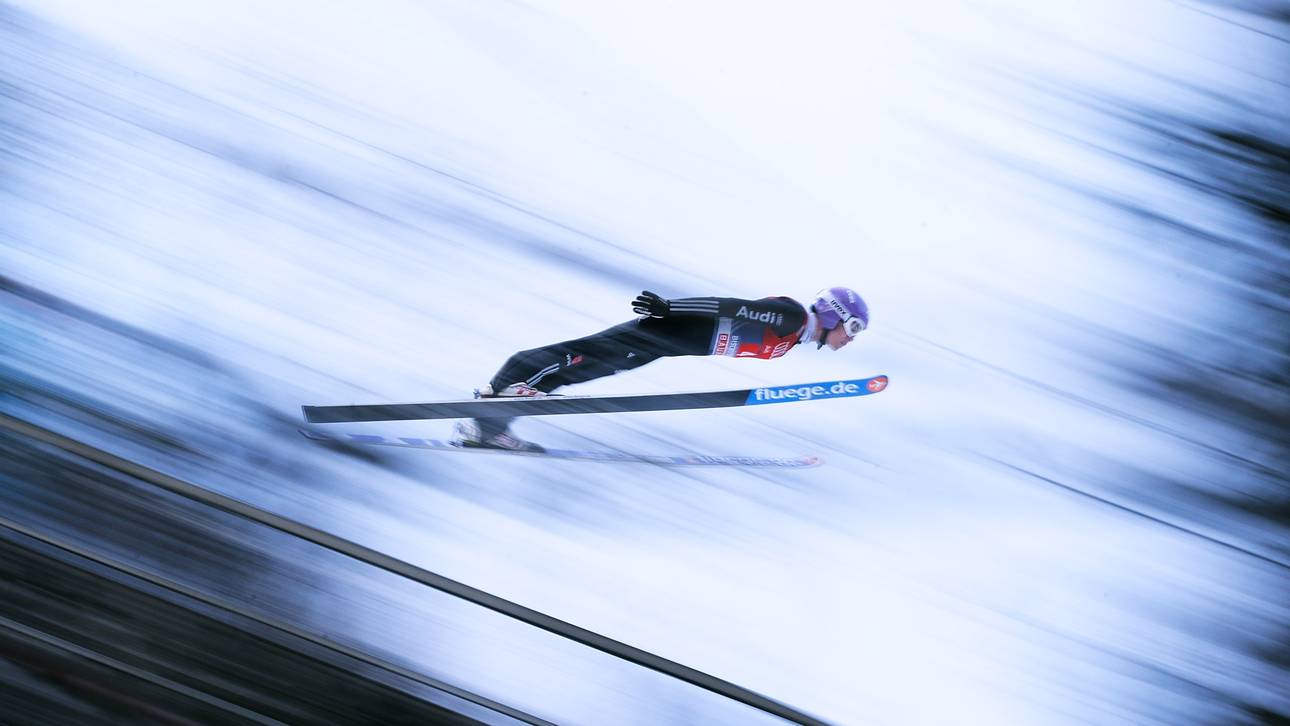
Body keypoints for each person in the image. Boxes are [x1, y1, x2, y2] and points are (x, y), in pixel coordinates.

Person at [453, 287, 870, 452]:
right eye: (852, 328)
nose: (850, 338)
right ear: (835, 316)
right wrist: (671, 308)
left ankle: (486, 429)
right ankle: (509, 391)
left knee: (584, 367)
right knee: (578, 358)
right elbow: (726, 307)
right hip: (665, 330)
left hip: (663, 345)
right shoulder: (789, 317)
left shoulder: (793, 336)